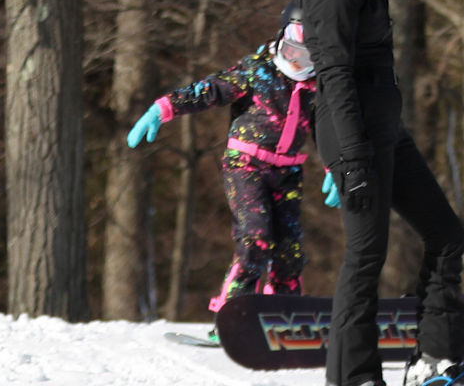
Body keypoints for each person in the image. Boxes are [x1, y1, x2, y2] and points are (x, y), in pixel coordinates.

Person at [289, 0, 464, 386]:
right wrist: (353, 159)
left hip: (383, 129)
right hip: (356, 136)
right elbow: (334, 75)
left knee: (446, 235)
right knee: (365, 255)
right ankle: (353, 376)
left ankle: (434, 362)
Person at [123, 18, 322, 338]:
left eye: (306, 56)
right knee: (256, 238)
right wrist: (164, 107)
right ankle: (232, 316)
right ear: (280, 45)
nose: (296, 62)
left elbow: (328, 130)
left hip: (288, 173)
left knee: (290, 251)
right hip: (246, 165)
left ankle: (284, 316)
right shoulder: (257, 71)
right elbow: (210, 90)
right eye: (291, 52)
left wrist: (337, 167)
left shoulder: (317, 86)